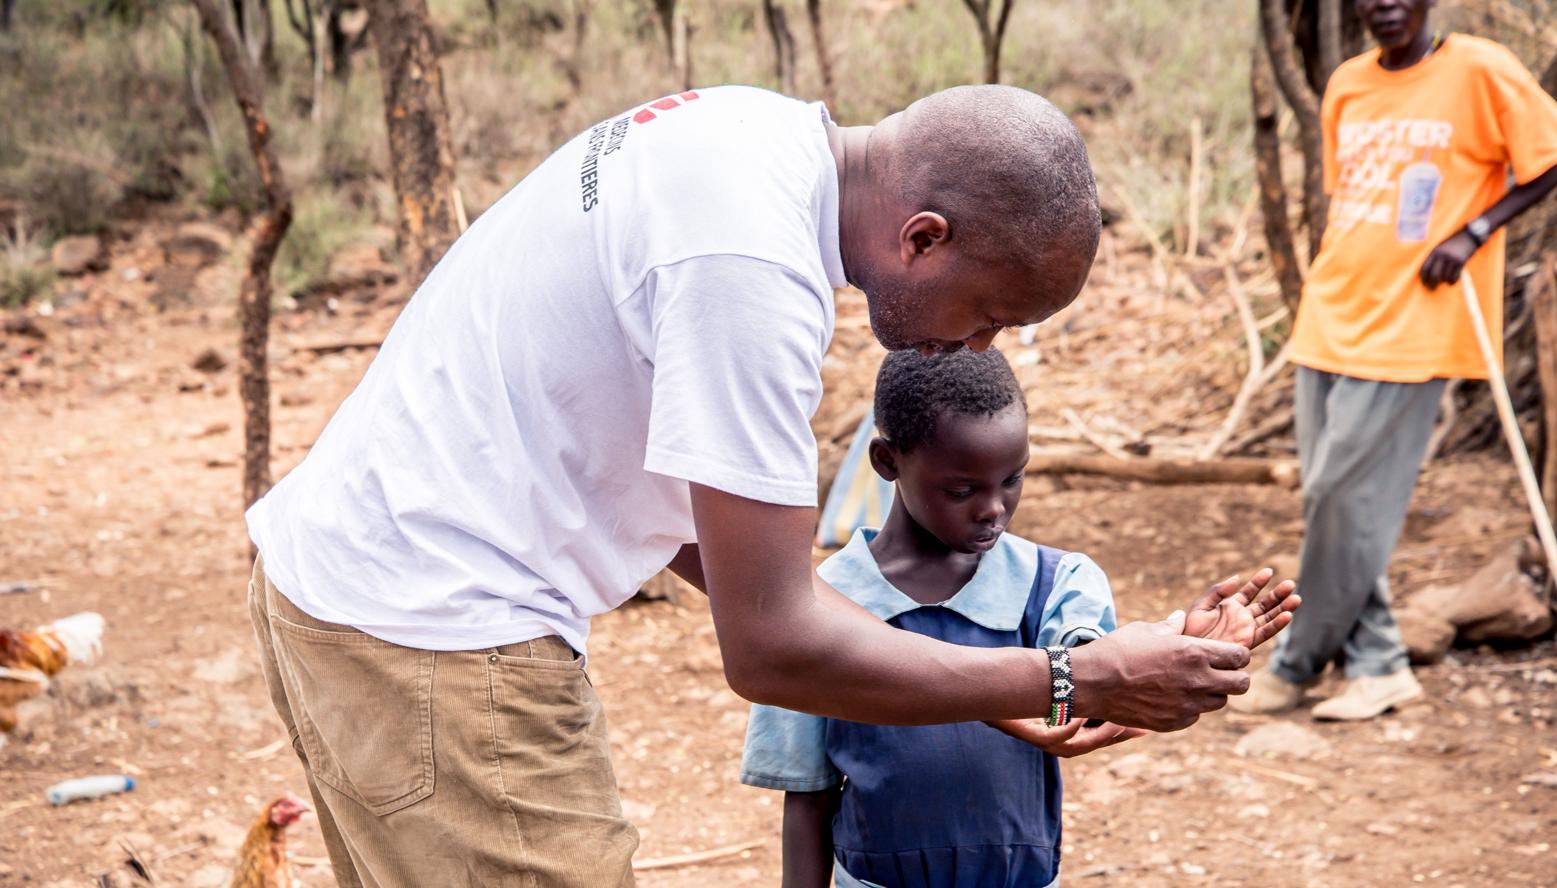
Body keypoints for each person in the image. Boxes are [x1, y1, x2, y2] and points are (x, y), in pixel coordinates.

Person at [244, 83, 1286, 887]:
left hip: (355, 594)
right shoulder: (749, 271)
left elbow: (733, 553)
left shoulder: (752, 138)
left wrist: (1010, 693)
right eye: (990, 313)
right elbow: (772, 644)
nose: (979, 345)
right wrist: (1072, 681)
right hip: (436, 642)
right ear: (924, 236)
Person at [741, 348, 1299, 888]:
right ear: (888, 461)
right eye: (962, 489)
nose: (994, 508)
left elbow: (1082, 686)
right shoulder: (814, 608)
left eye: (1013, 479)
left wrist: (1174, 648)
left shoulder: (1056, 584)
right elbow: (809, 798)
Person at [1233, 0, 1557, 721]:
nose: (1383, 4)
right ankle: (1380, 662)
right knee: (1335, 504)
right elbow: (1352, 198)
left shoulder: (1478, 68)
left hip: (1413, 323)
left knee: (1337, 495)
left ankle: (1295, 664)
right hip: (1330, 313)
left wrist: (1475, 230)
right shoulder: (1349, 83)